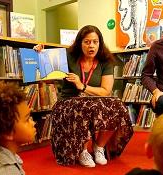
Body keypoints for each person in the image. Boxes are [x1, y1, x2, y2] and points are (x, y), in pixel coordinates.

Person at [34, 25, 134, 167]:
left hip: (94, 100)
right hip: (68, 101)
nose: (91, 46)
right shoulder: (68, 57)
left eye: (95, 42)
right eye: (87, 42)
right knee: (84, 107)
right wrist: (40, 54)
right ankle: (82, 151)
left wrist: (83, 86)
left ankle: (99, 147)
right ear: (80, 43)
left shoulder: (105, 61)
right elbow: (46, 67)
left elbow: (106, 91)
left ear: (100, 43)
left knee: (118, 106)